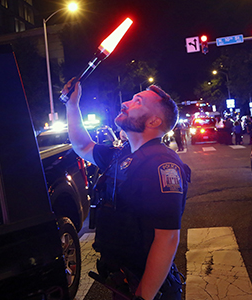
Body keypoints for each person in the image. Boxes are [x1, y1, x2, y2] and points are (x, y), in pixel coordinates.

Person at [62, 78, 190, 300]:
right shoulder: (121, 155)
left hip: (147, 287)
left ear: (153, 121)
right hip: (122, 279)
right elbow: (82, 146)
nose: (126, 103)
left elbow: (167, 239)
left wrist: (144, 296)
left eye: (137, 102)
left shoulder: (161, 164)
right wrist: (72, 105)